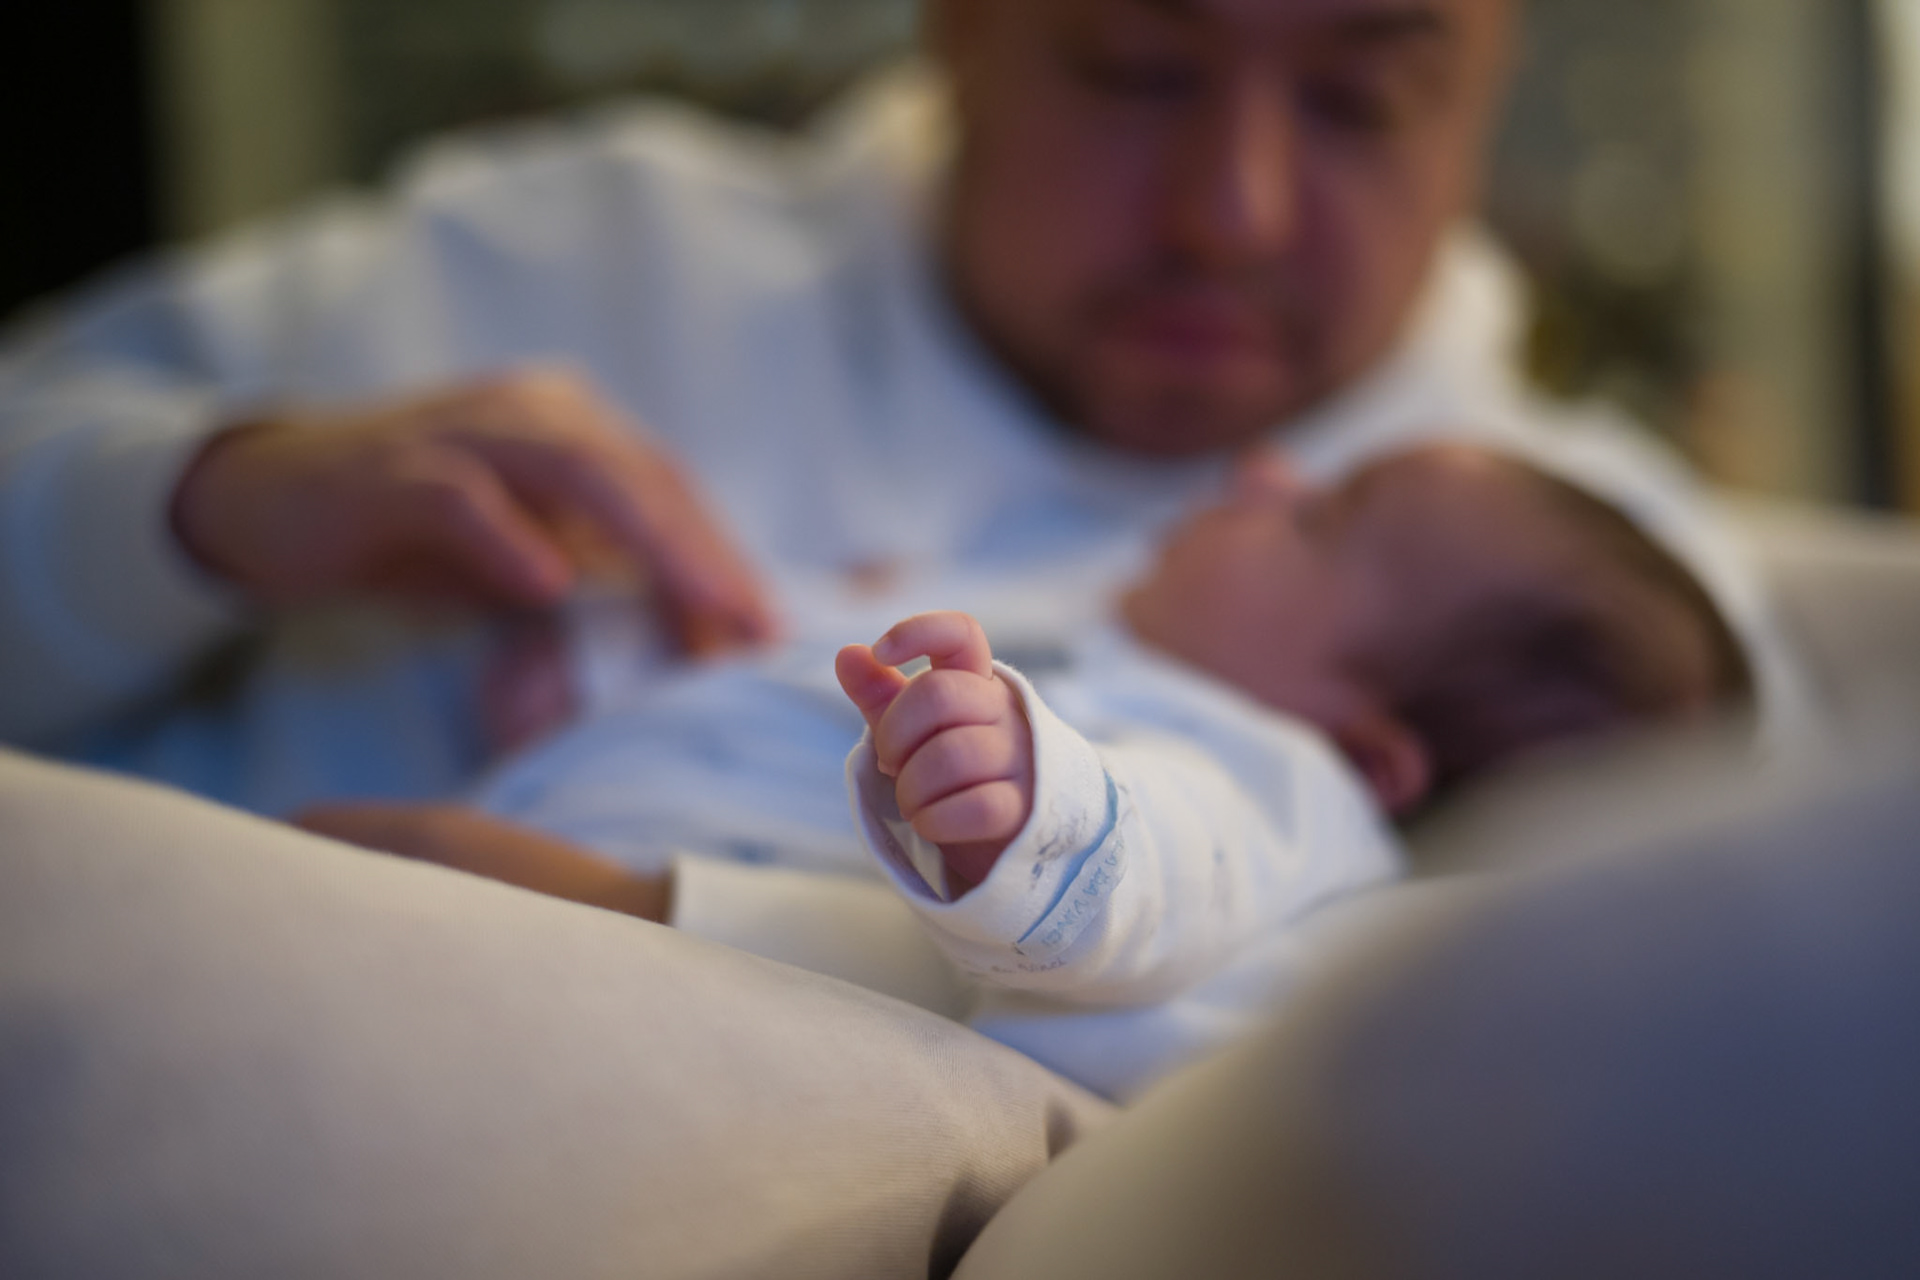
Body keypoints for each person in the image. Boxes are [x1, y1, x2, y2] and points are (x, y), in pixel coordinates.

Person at [0, 0, 1792, 814]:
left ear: (1489, 84)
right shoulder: (571, 262)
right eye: (1136, 65)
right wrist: (196, 508)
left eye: (1359, 99)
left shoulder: (1621, 639)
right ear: (955, 28)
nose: (1232, 210)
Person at [305, 442, 1754, 1098]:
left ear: (1371, 749)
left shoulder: (1274, 785)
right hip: (553, 835)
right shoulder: (1099, 651)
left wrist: (1036, 817)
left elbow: (1158, 867)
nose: (1263, 473)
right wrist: (600, 676)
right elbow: (785, 665)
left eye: (1320, 517)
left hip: (592, 945)